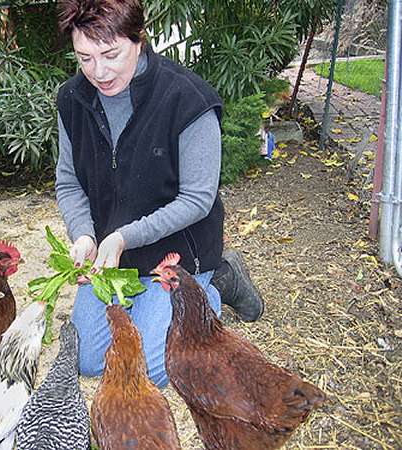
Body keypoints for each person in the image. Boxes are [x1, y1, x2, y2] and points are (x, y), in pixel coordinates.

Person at [55, 0, 263, 387]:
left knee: (153, 370)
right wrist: (83, 234)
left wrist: (124, 236)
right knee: (87, 360)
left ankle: (217, 282)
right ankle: (152, 307)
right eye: (84, 58)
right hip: (111, 258)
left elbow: (197, 200)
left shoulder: (187, 99)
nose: (98, 72)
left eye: (110, 55)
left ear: (138, 39)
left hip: (175, 254)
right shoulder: (72, 100)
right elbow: (69, 182)